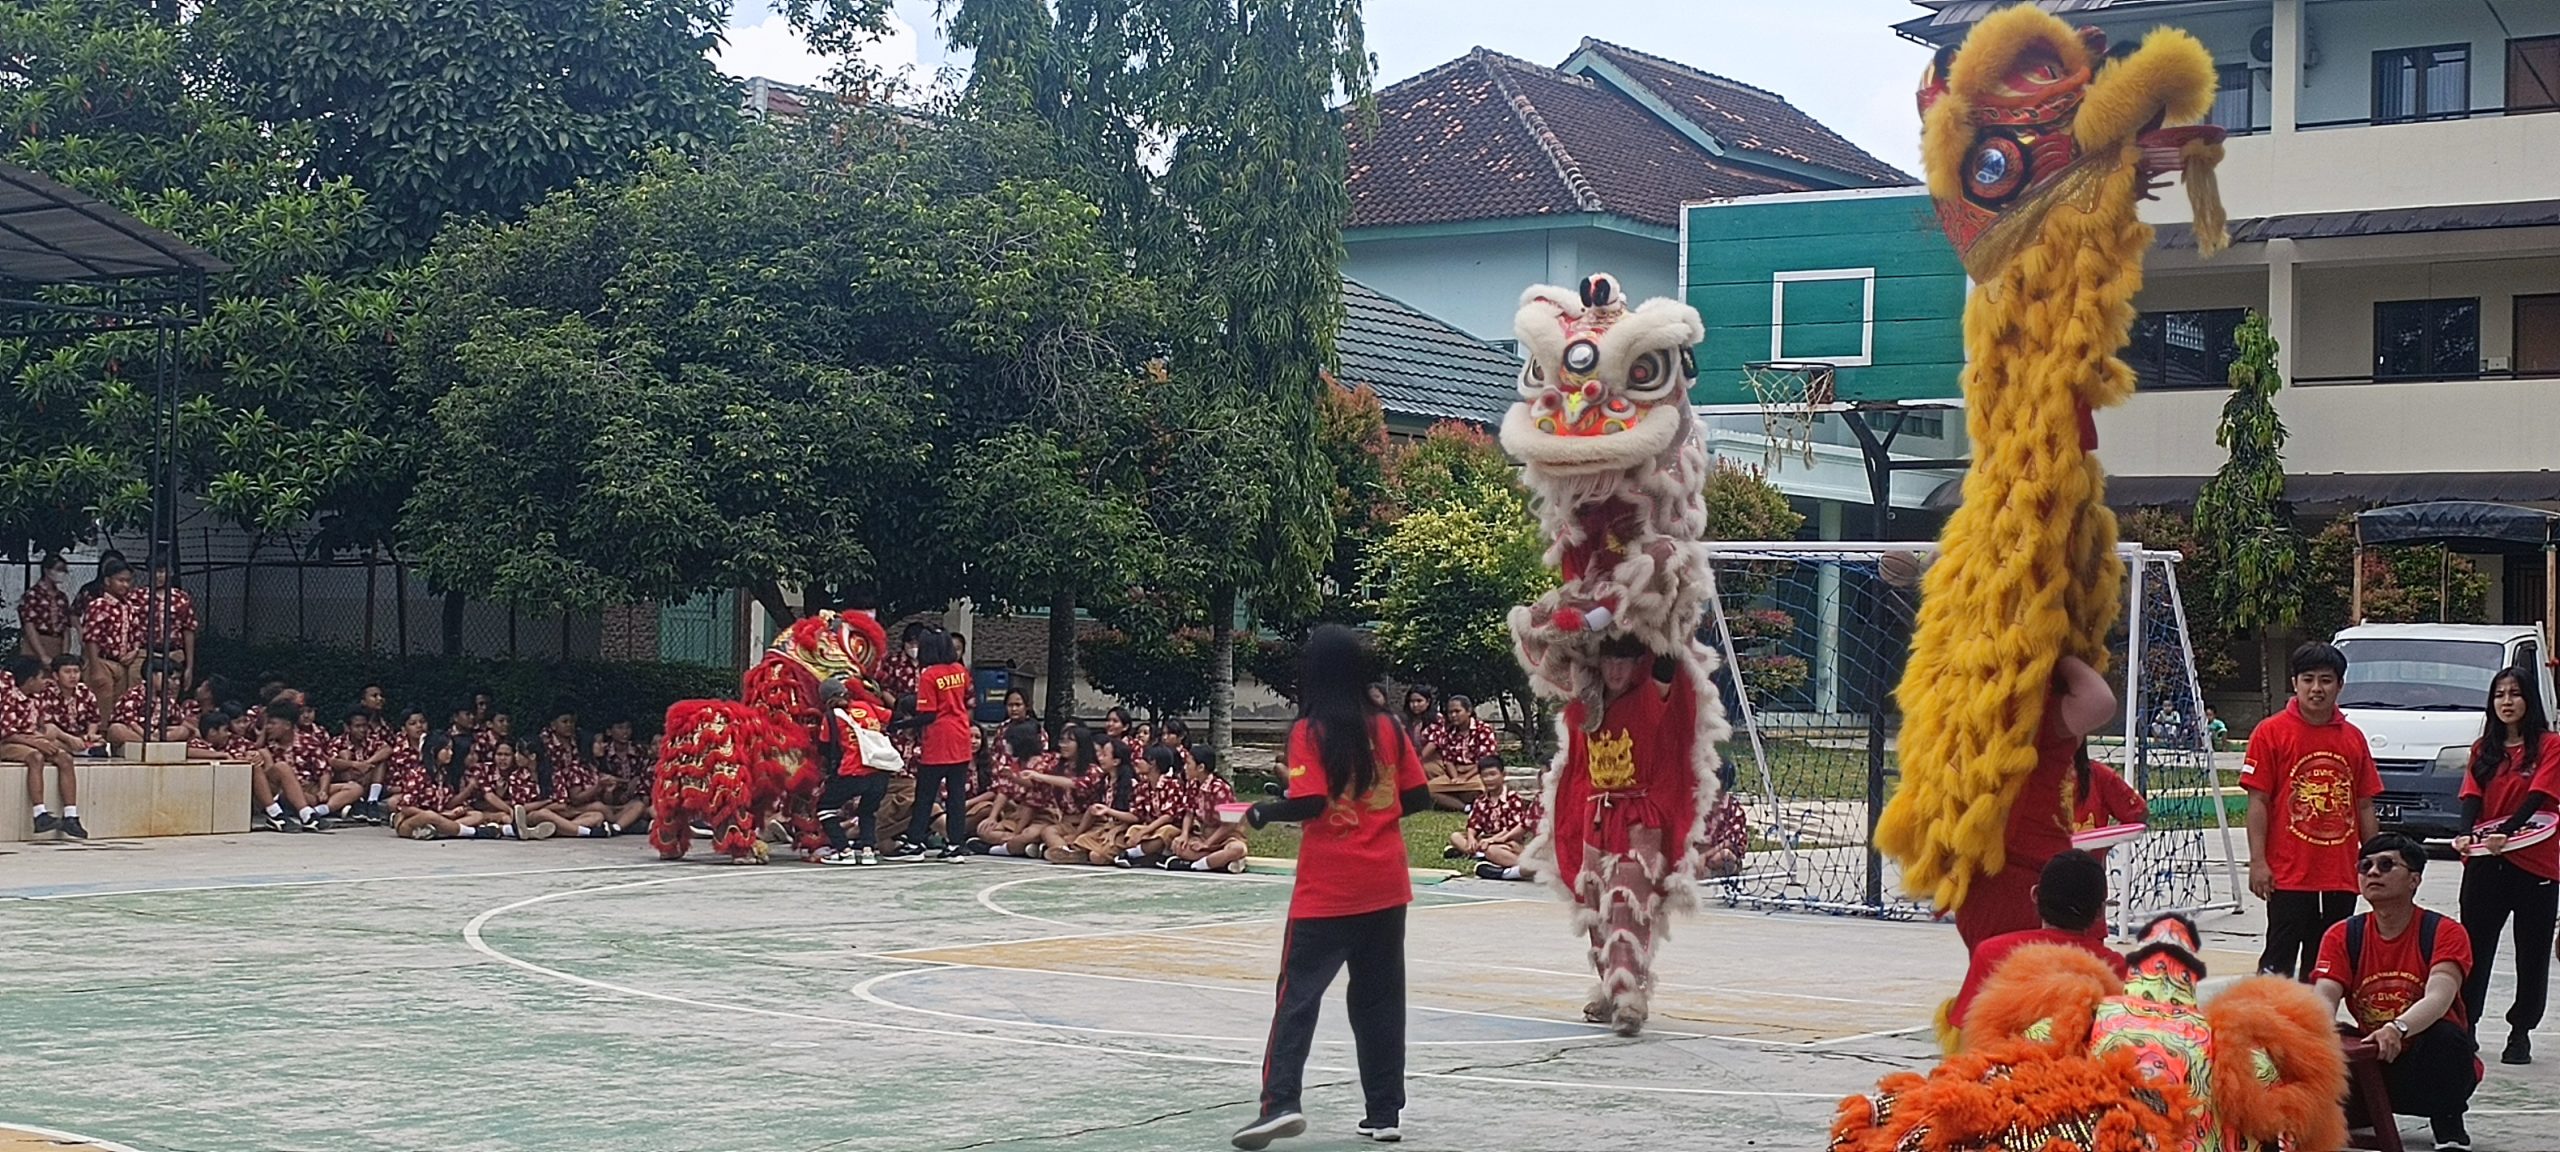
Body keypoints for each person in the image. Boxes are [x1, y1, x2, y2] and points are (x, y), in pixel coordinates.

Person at [1232, 625, 1430, 1150]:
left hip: (1329, 888)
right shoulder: (1388, 726)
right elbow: (1418, 797)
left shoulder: (1310, 731)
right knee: (1381, 1000)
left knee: (1297, 996)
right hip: (1386, 885)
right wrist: (1376, 817)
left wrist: (1262, 811)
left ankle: (1280, 1103)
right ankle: (1384, 1112)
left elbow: (1312, 802)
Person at [2312, 833, 2480, 1152]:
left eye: (2386, 864)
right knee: (2320, 1038)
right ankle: (2360, 1111)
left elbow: (2439, 997)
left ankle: (2448, 1121)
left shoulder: (2444, 931)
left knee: (2448, 1037)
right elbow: (2324, 999)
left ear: (2414, 880)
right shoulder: (2342, 934)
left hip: (2426, 1060)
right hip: (2375, 1060)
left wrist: (2396, 1028)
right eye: (2365, 866)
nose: (2373, 872)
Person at [1953, 653, 2120, 951]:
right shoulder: (2033, 724)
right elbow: (2099, 702)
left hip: (1988, 883)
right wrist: (2056, 649)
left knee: (1998, 985)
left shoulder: (1979, 721)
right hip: (2022, 886)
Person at [2246, 642, 2382, 979]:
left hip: (2340, 873)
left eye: (2326, 680)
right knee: (2279, 955)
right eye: (2308, 679)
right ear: (2295, 683)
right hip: (2289, 873)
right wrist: (2259, 862)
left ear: (2340, 685)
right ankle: (2266, 1025)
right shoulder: (2271, 733)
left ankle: (2316, 1024)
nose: (2317, 689)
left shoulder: (2353, 738)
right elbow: (2258, 801)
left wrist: (2376, 861)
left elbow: (2364, 803)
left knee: (2328, 961)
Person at [2449, 666, 2560, 1065]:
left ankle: (2521, 1032)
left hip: (2536, 864)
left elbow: (2539, 795)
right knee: (2473, 950)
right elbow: (2471, 796)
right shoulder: (2484, 749)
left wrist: (2508, 833)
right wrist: (2466, 834)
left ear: (2529, 700)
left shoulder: (2549, 746)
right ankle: (2467, 1026)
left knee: (2532, 953)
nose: (2507, 701)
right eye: (2499, 694)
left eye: (2515, 693)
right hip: (2485, 865)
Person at [1946, 849, 2126, 1039]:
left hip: (2006, 1065)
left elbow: (1965, 1032)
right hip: (2080, 1068)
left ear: (2034, 895)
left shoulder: (1993, 953)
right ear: (2099, 913)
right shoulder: (2116, 967)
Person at [895, 627, 972, 859]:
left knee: (925, 794)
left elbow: (928, 714)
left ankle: (915, 842)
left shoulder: (930, 675)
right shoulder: (960, 670)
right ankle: (956, 844)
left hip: (939, 740)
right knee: (957, 796)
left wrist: (899, 725)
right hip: (961, 736)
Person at [816, 678, 898, 865]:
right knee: (868, 811)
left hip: (852, 771)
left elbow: (825, 746)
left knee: (825, 809)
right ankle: (868, 851)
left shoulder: (831, 716)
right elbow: (892, 717)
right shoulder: (867, 706)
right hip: (879, 770)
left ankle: (844, 851)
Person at [3, 656, 83, 839]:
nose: (44, 682)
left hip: (30, 738)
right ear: (30, 681)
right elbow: (8, 732)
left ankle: (71, 816)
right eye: (41, 677)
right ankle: (40, 814)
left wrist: (44, 736)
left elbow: (39, 725)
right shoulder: (9, 698)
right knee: (36, 757)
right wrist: (36, 742)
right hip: (8, 742)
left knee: (64, 757)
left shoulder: (37, 699)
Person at [1165, 744, 1248, 873]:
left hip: (1226, 838)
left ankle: (1195, 865)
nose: (1185, 768)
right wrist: (1184, 835)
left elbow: (1230, 824)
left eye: (1188, 764)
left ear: (1201, 767)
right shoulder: (1193, 785)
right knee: (1178, 846)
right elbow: (1189, 812)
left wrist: (1207, 844)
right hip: (1204, 836)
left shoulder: (1220, 788)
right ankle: (1220, 863)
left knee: (1236, 849)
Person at [1451, 761, 1536, 880]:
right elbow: (1473, 824)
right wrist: (1471, 838)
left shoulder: (1513, 799)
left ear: (1503, 775)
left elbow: (1513, 829)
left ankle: (1520, 867)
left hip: (1506, 840)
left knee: (1493, 850)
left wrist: (1492, 840)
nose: (1488, 779)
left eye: (1492, 774)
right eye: (1484, 776)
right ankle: (1479, 854)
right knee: (1456, 837)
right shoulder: (1481, 801)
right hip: (1485, 839)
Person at [1416, 693, 1496, 810]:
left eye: (1457, 711)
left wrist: (1465, 778)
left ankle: (1453, 798)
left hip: (1476, 772)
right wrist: (1455, 778)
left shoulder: (1483, 730)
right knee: (1427, 790)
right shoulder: (1449, 732)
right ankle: (1465, 807)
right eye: (1450, 712)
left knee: (1478, 788)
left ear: (1468, 711)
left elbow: (1485, 760)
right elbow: (1448, 760)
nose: (1453, 715)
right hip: (1455, 772)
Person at [78, 559, 141, 707]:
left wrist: (135, 651)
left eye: (128, 581)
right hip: (102, 662)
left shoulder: (129, 606)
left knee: (119, 706)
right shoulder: (99, 605)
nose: (125, 585)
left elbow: (137, 633)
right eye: (120, 580)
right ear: (107, 580)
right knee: (102, 707)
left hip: (123, 663)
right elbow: (91, 639)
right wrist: (95, 668)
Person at [2072, 741, 2147, 859]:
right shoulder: (2036, 777)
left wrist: (2104, 844)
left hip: (2087, 872)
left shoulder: (2099, 776)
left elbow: (2139, 813)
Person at [135, 558, 197, 678]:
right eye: (153, 572)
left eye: (162, 571)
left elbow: (188, 631)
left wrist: (189, 666)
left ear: (171, 572)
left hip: (174, 653)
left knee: (171, 690)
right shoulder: (138, 596)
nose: (158, 576)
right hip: (145, 653)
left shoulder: (181, 598)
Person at [17, 552, 70, 661]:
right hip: (37, 643)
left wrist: (64, 655)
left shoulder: (62, 597)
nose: (62, 573)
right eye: (59, 569)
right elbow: (29, 626)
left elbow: (66, 628)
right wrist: (42, 655)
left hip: (57, 643)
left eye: (64, 570)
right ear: (46, 570)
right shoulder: (32, 594)